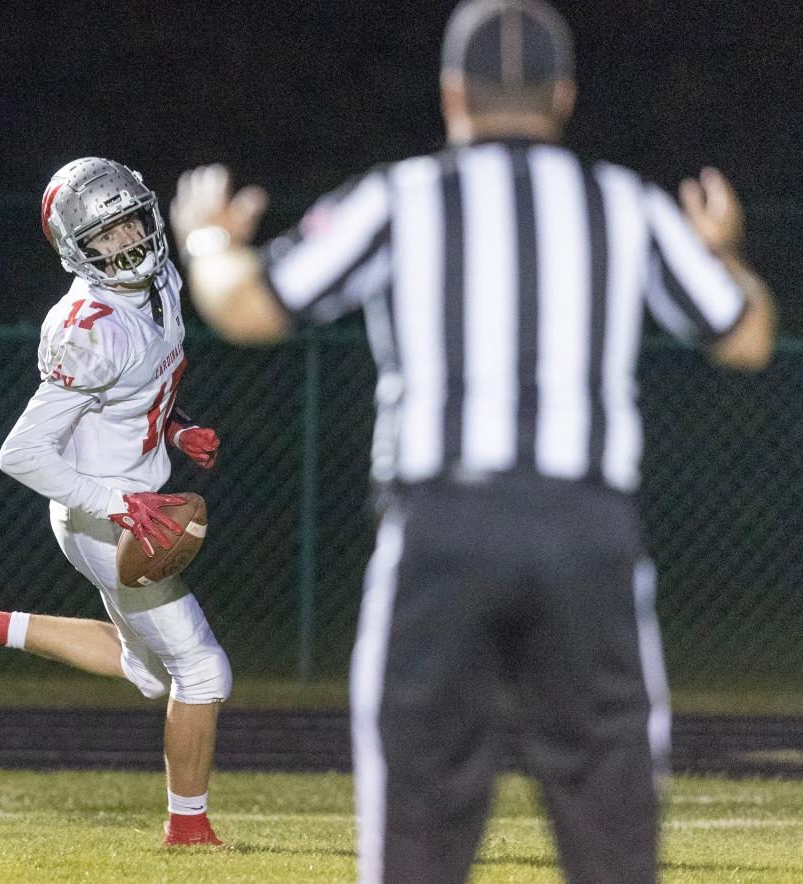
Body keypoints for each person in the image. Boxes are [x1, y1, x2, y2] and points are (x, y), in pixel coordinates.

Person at [168, 0, 777, 881]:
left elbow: (250, 308)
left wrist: (208, 243)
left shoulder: (400, 196)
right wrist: (721, 254)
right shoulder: (626, 203)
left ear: (453, 93)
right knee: (610, 825)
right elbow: (747, 335)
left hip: (440, 532)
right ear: (563, 96)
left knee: (416, 821)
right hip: (586, 532)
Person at [0, 157, 230, 848]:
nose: (128, 244)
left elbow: (133, 392)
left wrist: (175, 426)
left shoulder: (163, 281)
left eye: (131, 224)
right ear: (74, 249)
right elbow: (21, 453)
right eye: (106, 236)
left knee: (150, 670)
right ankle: (188, 832)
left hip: (132, 496)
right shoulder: (87, 326)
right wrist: (116, 505)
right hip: (98, 515)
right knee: (202, 668)